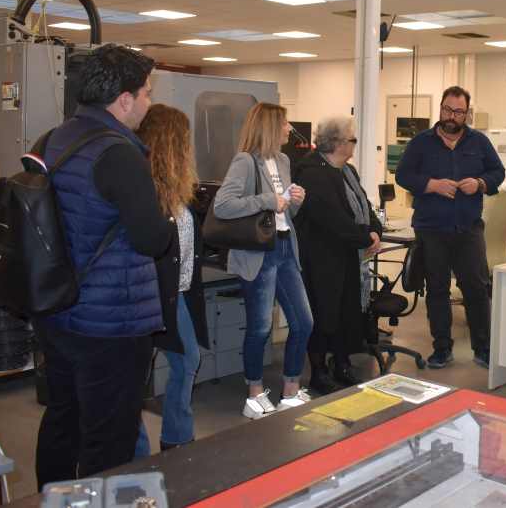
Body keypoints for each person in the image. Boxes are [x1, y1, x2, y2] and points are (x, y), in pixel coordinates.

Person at [34, 45, 173, 488]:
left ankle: (52, 498)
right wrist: (169, 221)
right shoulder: (119, 153)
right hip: (112, 321)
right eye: (147, 93)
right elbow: (151, 238)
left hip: (58, 309)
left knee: (63, 419)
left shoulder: (52, 140)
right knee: (109, 436)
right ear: (124, 100)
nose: (150, 102)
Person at [213, 103, 313, 418]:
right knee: (259, 328)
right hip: (259, 254)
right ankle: (254, 394)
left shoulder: (283, 160)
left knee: (303, 322)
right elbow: (223, 205)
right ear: (270, 126)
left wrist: (294, 202)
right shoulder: (245, 161)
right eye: (284, 123)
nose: (289, 128)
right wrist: (269, 199)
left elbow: (284, 212)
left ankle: (291, 389)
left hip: (285, 248)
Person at [395, 86, 505, 369]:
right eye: (447, 109)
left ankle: (483, 348)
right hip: (431, 229)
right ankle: (442, 348)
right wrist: (431, 185)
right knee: (437, 289)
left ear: (467, 114)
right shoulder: (421, 143)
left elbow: (498, 172)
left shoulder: (479, 142)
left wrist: (479, 183)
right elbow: (403, 175)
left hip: (468, 228)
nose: (451, 116)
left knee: (476, 288)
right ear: (441, 108)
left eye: (457, 111)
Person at [136, 104, 210, 450]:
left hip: (176, 294)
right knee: (136, 376)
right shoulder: (142, 188)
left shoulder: (177, 190)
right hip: (148, 295)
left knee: (187, 359)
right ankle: (135, 451)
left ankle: (176, 438)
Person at [293, 117, 382, 395]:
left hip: (347, 256)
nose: (355, 143)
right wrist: (366, 238)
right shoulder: (312, 173)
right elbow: (333, 219)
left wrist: (374, 230)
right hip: (321, 258)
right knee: (323, 314)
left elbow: (365, 206)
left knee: (346, 313)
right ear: (338, 143)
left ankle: (341, 363)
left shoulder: (348, 171)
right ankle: (319, 371)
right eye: (352, 139)